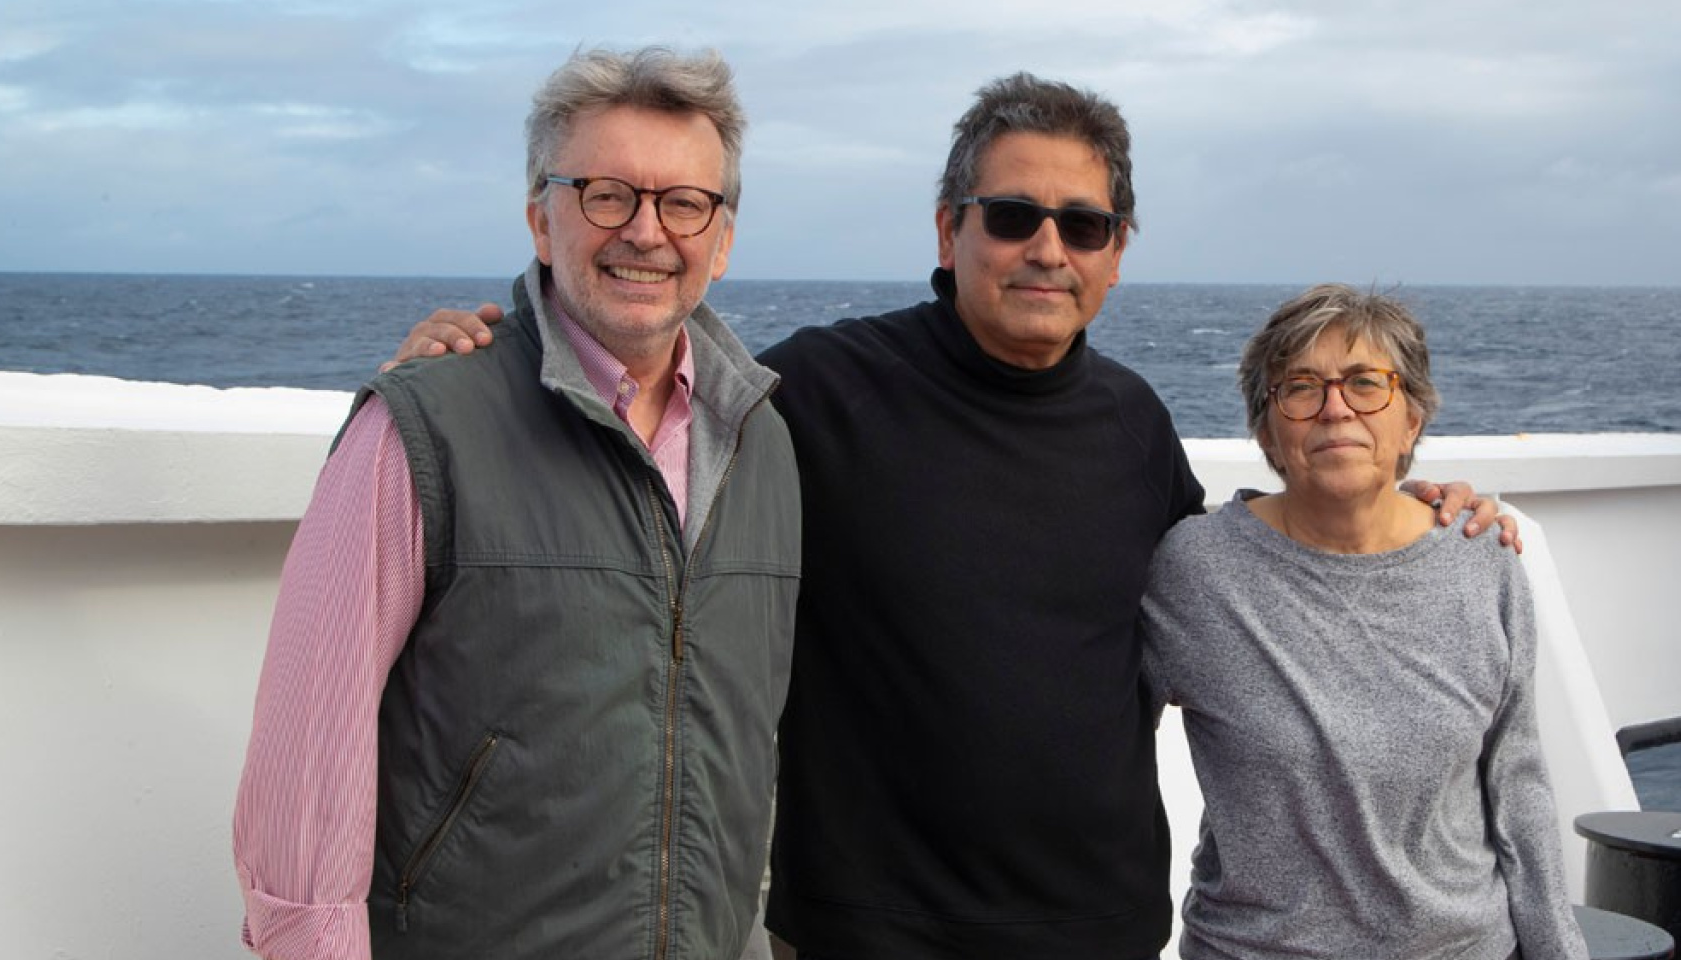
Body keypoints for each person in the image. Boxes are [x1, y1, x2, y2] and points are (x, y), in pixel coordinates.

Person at [393, 73, 1513, 960]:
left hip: (1103, 929)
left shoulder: (1129, 421)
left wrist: (1408, 502)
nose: (1046, 247)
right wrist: (487, 364)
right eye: (1014, 214)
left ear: (1117, 252)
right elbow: (640, 408)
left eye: (1082, 225)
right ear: (948, 229)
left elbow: (1248, 565)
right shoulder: (819, 391)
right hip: (867, 931)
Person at [232, 47, 801, 960]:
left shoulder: (763, 441)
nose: (646, 232)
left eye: (684, 202)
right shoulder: (421, 425)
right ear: (542, 218)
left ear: (723, 237)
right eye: (606, 193)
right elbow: (307, 769)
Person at [1141, 284, 1585, 960]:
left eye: (1366, 383)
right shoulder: (1197, 572)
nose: (1335, 409)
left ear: (1412, 419)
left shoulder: (1482, 560)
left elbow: (1518, 786)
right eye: (1301, 387)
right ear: (1267, 429)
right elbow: (1099, 756)